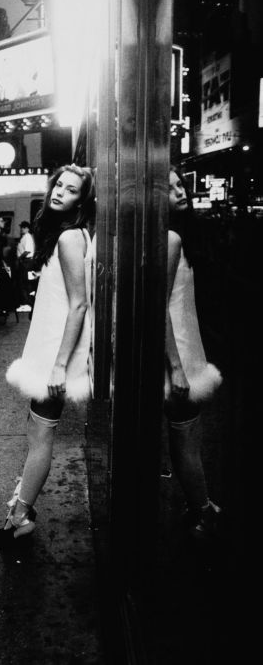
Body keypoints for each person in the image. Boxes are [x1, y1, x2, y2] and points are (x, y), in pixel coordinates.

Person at [0, 164, 95, 551]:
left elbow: (80, 305)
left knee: (40, 434)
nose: (60, 192)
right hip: (53, 349)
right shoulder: (71, 234)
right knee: (37, 432)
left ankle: (20, 517)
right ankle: (20, 512)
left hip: (57, 353)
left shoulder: (69, 237)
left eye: (71, 189)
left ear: (82, 199)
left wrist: (61, 365)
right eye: (58, 185)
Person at [165, 167, 222, 540]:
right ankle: (203, 509)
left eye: (179, 184)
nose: (179, 191)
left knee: (184, 439)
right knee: (185, 440)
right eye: (168, 188)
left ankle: (201, 508)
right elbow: (160, 307)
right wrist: (177, 367)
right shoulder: (169, 239)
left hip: (184, 351)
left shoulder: (180, 236)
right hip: (177, 355)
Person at [16, 220, 35, 312]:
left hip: (26, 262)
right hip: (27, 262)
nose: (21, 229)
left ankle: (27, 303)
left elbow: (27, 251)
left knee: (25, 282)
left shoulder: (27, 237)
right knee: (25, 282)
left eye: (23, 227)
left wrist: (20, 258)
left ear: (27, 228)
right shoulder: (25, 237)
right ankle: (26, 302)